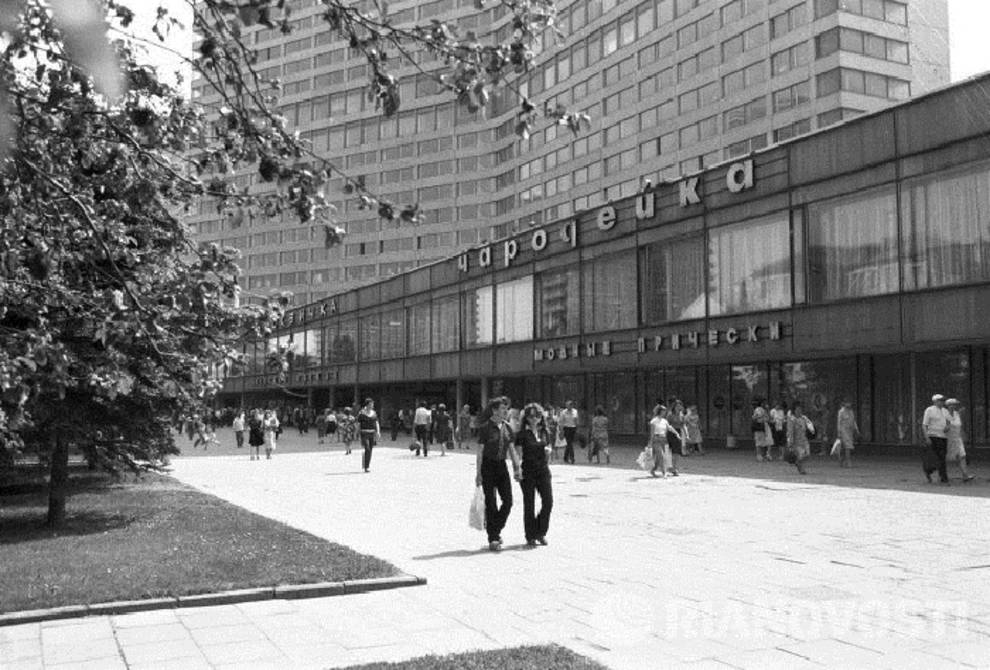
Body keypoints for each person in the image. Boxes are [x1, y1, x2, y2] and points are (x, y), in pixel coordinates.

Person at [475, 397, 521, 552]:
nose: (506, 411)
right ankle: (493, 537)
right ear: (494, 410)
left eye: (506, 408)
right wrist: (478, 473)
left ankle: (495, 528)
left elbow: (512, 450)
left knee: (508, 501)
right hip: (488, 466)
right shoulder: (485, 428)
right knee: (491, 502)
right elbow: (480, 452)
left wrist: (517, 468)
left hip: (501, 466)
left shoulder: (508, 428)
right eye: (502, 408)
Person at [515, 403, 553, 547]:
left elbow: (549, 450)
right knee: (529, 504)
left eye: (537, 415)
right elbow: (518, 454)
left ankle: (540, 531)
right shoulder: (522, 434)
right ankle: (530, 535)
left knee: (548, 502)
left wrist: (548, 454)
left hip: (543, 470)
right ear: (526, 417)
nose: (534, 418)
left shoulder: (545, 432)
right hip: (528, 471)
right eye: (531, 416)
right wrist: (517, 470)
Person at [922, 393, 950, 484]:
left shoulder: (945, 411)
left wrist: (948, 427)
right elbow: (924, 425)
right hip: (933, 436)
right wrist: (927, 437)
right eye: (940, 400)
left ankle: (942, 476)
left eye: (943, 401)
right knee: (935, 457)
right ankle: (932, 472)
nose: (942, 402)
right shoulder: (929, 410)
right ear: (935, 401)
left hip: (943, 437)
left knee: (942, 456)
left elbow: (948, 422)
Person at [945, 399, 975, 482]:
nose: (953, 406)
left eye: (955, 405)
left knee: (962, 456)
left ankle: (965, 475)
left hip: (957, 439)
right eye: (952, 405)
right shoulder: (944, 415)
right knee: (946, 457)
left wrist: (963, 435)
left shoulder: (957, 414)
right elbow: (944, 428)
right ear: (947, 406)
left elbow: (960, 426)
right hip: (948, 439)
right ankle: (942, 475)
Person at [786, 401, 813, 475]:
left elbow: (809, 426)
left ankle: (798, 463)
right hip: (796, 441)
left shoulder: (803, 418)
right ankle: (801, 469)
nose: (799, 411)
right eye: (797, 409)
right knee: (800, 455)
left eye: (800, 409)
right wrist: (790, 442)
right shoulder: (792, 419)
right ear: (794, 410)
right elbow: (790, 431)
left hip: (804, 440)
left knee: (807, 454)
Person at [649, 404, 673, 478]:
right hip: (656, 439)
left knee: (659, 457)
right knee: (661, 456)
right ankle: (664, 472)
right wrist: (650, 442)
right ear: (660, 411)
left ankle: (653, 469)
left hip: (663, 439)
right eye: (663, 411)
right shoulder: (654, 421)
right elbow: (652, 433)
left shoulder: (665, 421)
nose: (665, 413)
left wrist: (677, 434)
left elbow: (669, 428)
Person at [357, 398, 380, 472]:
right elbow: (358, 424)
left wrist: (378, 432)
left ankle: (367, 465)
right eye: (371, 404)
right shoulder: (361, 413)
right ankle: (366, 466)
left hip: (372, 433)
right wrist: (357, 433)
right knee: (367, 448)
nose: (372, 405)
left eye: (372, 404)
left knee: (370, 450)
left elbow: (376, 422)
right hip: (364, 433)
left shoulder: (374, 413)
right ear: (367, 405)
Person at [835, 399, 860, 468]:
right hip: (843, 431)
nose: (849, 404)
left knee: (847, 447)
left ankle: (841, 460)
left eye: (850, 403)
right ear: (844, 403)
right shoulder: (841, 412)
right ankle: (848, 462)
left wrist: (856, 429)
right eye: (847, 403)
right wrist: (839, 432)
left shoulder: (851, 411)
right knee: (848, 446)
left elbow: (853, 421)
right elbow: (839, 423)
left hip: (850, 431)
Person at [559, 400, 579, 464]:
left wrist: (577, 428)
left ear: (572, 406)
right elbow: (561, 422)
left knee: (569, 443)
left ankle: (565, 457)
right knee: (569, 443)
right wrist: (561, 430)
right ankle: (572, 458)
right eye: (567, 405)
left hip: (573, 428)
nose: (568, 407)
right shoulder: (563, 412)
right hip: (566, 428)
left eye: (569, 405)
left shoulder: (575, 411)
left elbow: (576, 420)